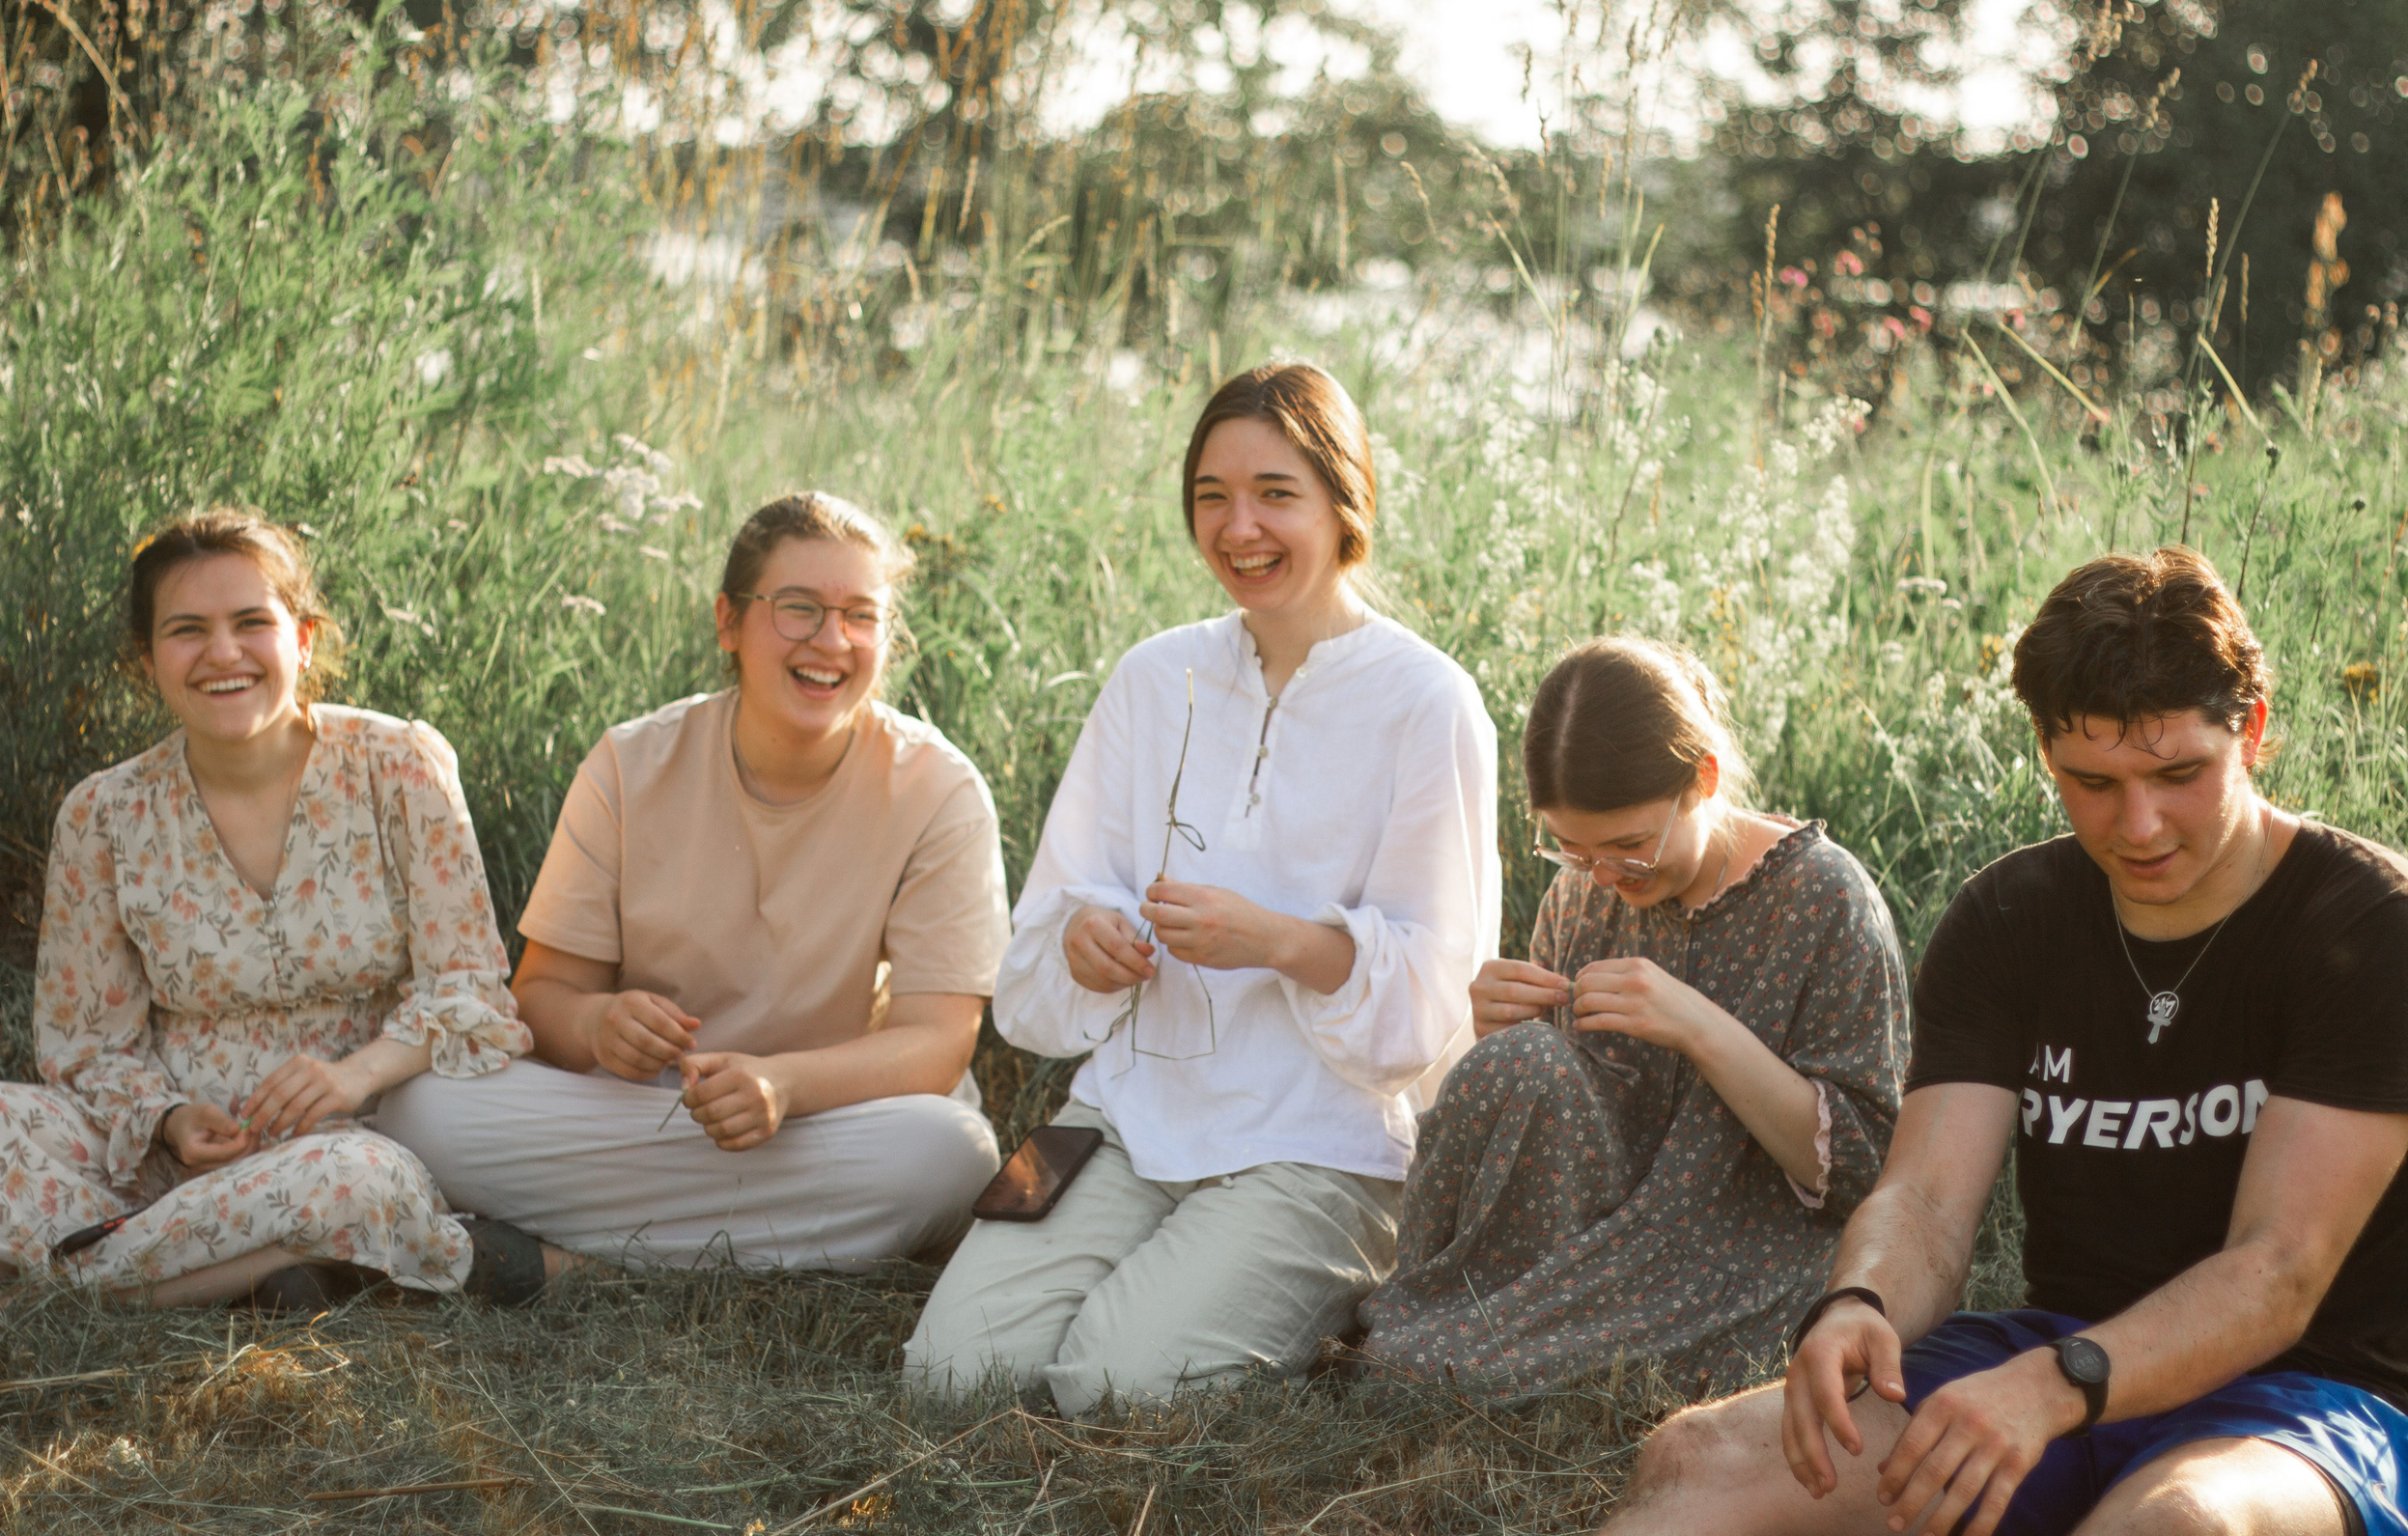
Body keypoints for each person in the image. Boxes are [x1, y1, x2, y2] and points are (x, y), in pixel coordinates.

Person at [1111, 546, 2408, 1536]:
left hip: (2308, 1401)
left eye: (2178, 771)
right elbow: (1921, 1192)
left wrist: (2057, 1383)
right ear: (2046, 756)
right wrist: (1858, 1303)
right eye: (2092, 780)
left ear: (2253, 727)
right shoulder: (2014, 913)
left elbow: (2278, 1271)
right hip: (2048, 1357)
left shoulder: (2363, 919)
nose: (2136, 824)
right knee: (1704, 1453)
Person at [903, 361, 1500, 1416]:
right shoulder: (1154, 676)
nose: (1240, 528)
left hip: (1321, 1142)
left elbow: (1433, 1002)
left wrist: (1279, 940)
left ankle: (1327, 1299)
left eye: (1276, 493)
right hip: (1126, 1113)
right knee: (950, 1380)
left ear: (1343, 500)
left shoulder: (1426, 703)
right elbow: (1048, 925)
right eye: (1211, 497)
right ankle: (1196, 1284)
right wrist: (1086, 938)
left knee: (1115, 1388)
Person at [0, 510, 556, 1314]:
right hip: (164, 1160)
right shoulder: (104, 813)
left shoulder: (398, 767)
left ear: (302, 638)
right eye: (187, 630)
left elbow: (469, 986)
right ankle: (250, 1268)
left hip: (349, 1138)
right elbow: (86, 1044)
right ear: (148, 659)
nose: (222, 653)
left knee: (353, 1186)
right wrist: (167, 1119)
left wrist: (350, 1076)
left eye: (250, 623)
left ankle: (31, 1292)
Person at [376, 491, 1008, 1271]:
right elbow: (545, 996)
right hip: (641, 1113)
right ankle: (777, 1249)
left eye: (861, 615)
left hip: (821, 1120)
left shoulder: (939, 789)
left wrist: (782, 1084)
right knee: (421, 1108)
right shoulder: (630, 763)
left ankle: (572, 1262)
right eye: (799, 608)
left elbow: (939, 1041)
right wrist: (601, 1022)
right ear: (729, 623)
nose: (832, 640)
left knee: (950, 1153)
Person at [1354, 637, 1906, 1396]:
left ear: (1702, 780)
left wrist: (1697, 1024)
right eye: (1573, 851)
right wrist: (1503, 1036)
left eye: (1631, 846)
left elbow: (1860, 1170)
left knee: (1430, 1364)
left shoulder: (1821, 898)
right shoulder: (1583, 891)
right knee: (1514, 1065)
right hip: (1595, 1226)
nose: (1606, 876)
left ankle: (1457, 1344)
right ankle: (1462, 1334)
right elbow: (1562, 1115)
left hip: (1735, 1245)